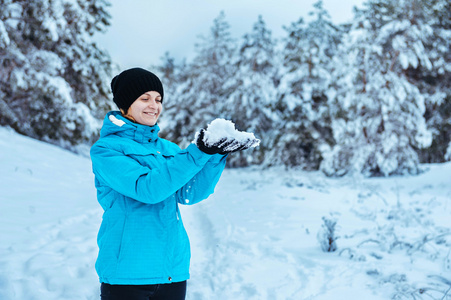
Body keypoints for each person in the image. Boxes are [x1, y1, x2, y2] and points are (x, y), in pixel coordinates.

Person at [90, 67, 257, 300]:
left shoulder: (167, 149)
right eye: (144, 98)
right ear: (125, 104)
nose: (154, 105)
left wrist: (214, 156)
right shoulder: (106, 150)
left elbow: (189, 193)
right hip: (126, 273)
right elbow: (148, 189)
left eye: (158, 99)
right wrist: (197, 153)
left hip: (172, 271)